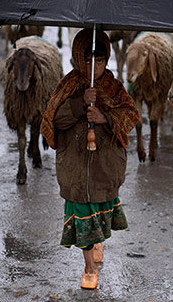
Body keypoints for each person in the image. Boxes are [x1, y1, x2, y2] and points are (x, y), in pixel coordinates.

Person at [40, 29, 140, 290]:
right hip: (73, 164)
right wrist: (79, 104)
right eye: (87, 60)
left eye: (99, 60)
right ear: (76, 58)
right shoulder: (69, 86)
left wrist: (105, 118)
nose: (93, 67)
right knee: (81, 210)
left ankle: (97, 242)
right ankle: (89, 267)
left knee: (98, 205)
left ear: (106, 60)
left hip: (105, 165)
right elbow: (53, 121)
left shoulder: (114, 88)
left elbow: (131, 116)